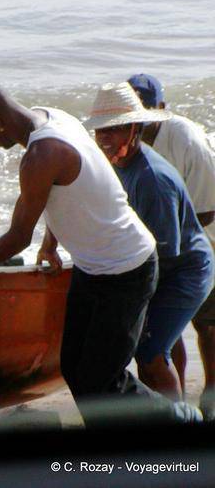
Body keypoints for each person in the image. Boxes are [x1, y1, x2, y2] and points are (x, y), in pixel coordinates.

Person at [0, 80, 202, 425]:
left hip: (127, 270)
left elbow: (17, 238)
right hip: (93, 268)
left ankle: (184, 420)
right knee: (75, 370)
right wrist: (51, 240)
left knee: (103, 380)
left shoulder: (40, 156)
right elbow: (69, 190)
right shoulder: (52, 117)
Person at [86, 82, 214, 402]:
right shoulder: (120, 162)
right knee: (152, 347)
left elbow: (166, 255)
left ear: (134, 129)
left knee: (152, 350)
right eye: (99, 131)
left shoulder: (153, 178)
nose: (103, 139)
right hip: (162, 261)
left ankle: (178, 423)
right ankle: (170, 411)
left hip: (185, 269)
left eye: (113, 130)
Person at [129, 74, 215, 418]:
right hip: (160, 243)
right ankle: (174, 402)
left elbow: (209, 206)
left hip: (205, 239)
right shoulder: (127, 142)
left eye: (145, 108)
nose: (137, 117)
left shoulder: (185, 139)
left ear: (161, 108)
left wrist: (169, 245)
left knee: (208, 325)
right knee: (168, 327)